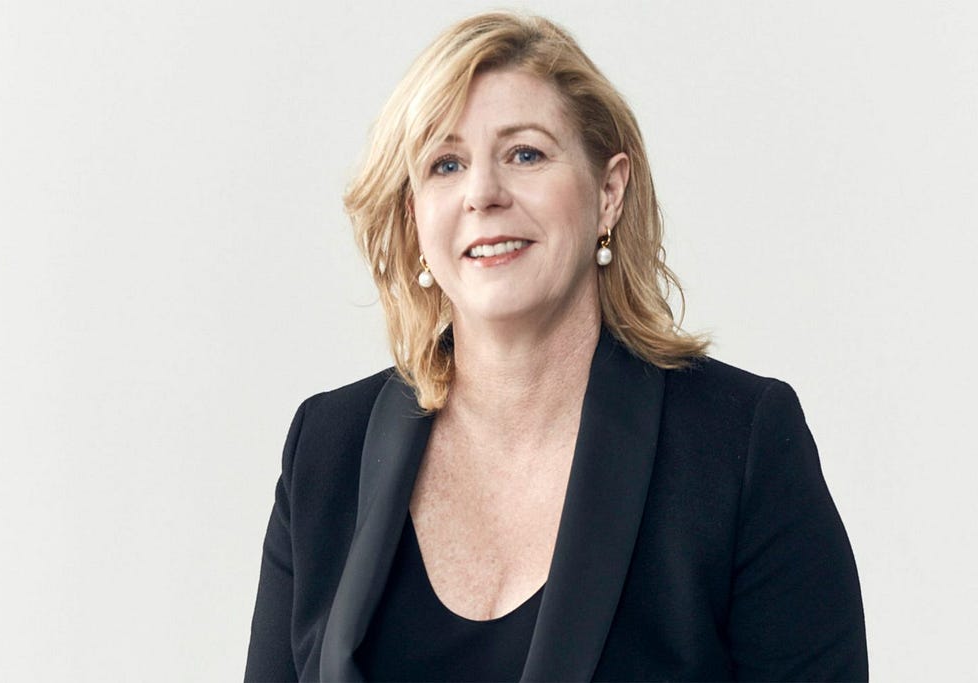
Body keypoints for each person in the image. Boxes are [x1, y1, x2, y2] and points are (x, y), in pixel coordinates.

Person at [244, 11, 867, 682]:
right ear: (413, 217)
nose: (483, 193)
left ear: (608, 192)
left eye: (526, 154)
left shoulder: (740, 444)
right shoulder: (326, 447)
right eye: (445, 164)